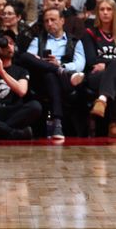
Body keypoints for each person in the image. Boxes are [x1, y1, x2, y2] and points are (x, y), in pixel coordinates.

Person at [22, 8, 86, 140]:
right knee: (27, 58)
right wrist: (47, 64)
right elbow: (30, 58)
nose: (49, 23)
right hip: (42, 79)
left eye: (53, 20)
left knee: (51, 75)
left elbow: (80, 64)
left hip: (65, 80)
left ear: (62, 21)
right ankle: (57, 123)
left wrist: (61, 65)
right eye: (46, 21)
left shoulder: (75, 41)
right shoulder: (38, 40)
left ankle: (57, 122)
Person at [79, 0, 116, 138]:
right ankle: (115, 124)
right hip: (96, 76)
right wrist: (113, 63)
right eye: (102, 9)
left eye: (109, 9)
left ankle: (102, 101)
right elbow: (91, 61)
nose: (105, 13)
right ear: (97, 13)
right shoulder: (90, 33)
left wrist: (106, 64)